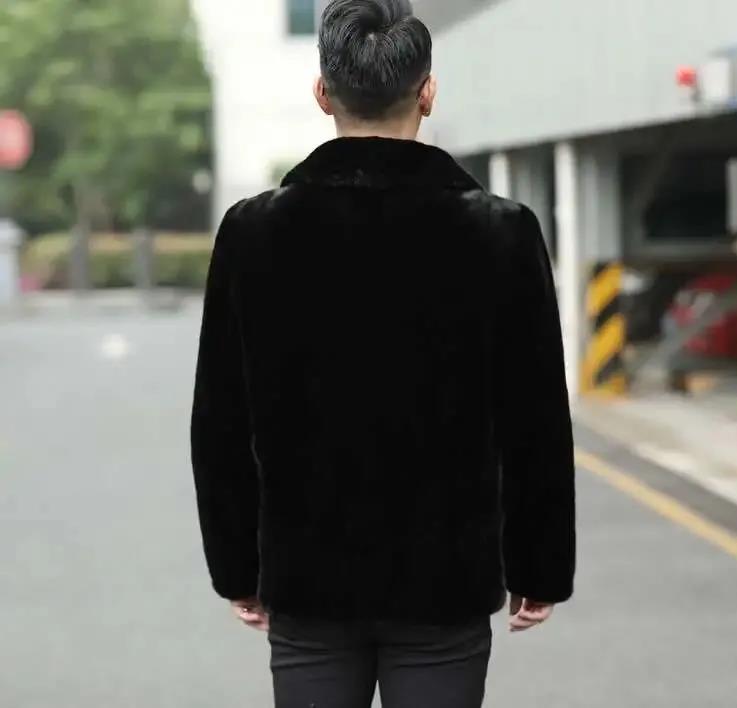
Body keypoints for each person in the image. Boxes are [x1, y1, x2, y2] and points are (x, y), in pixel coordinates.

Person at [190, 1, 576, 706]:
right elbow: (536, 421)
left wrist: (237, 568)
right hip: (445, 584)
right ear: (427, 93)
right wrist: (539, 565)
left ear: (322, 93)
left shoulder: (251, 233)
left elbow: (221, 423)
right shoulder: (501, 232)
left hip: (307, 579)